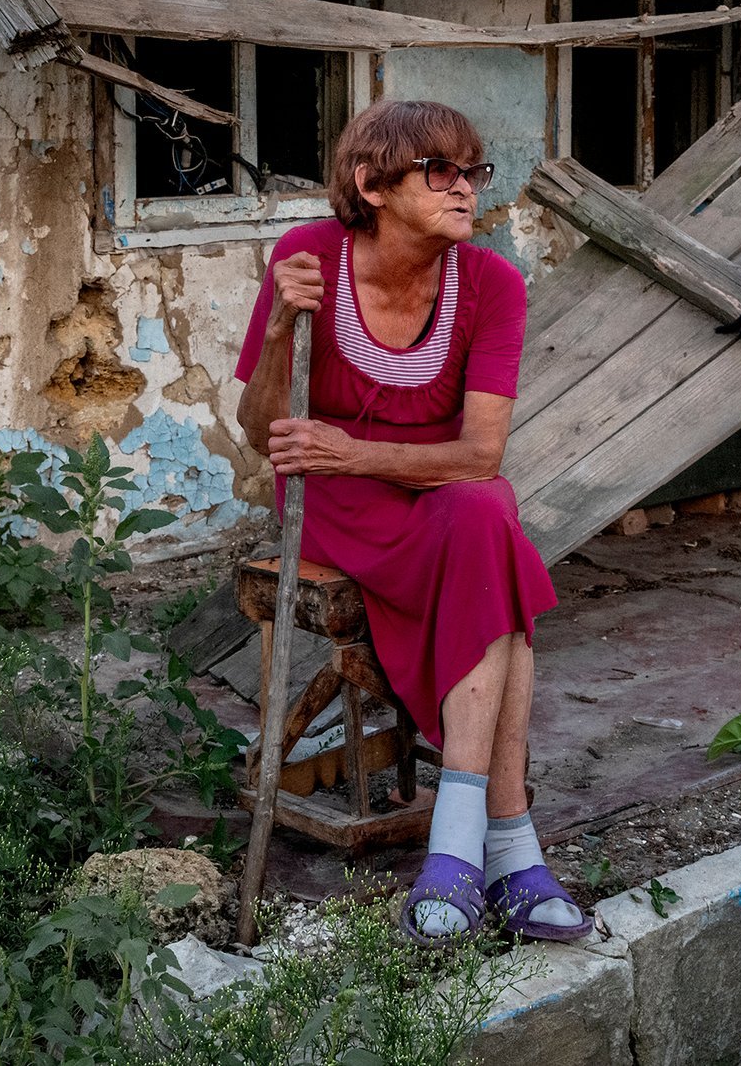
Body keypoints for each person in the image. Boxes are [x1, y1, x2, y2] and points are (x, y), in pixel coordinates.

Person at [235, 99, 587, 944]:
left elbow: (478, 456)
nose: (466, 190)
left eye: (474, 172)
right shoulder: (308, 259)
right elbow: (259, 430)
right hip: (331, 503)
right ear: (372, 183)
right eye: (441, 172)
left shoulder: (494, 286)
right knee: (495, 541)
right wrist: (284, 324)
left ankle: (459, 852)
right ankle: (508, 847)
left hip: (426, 485)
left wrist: (350, 449)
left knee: (485, 510)